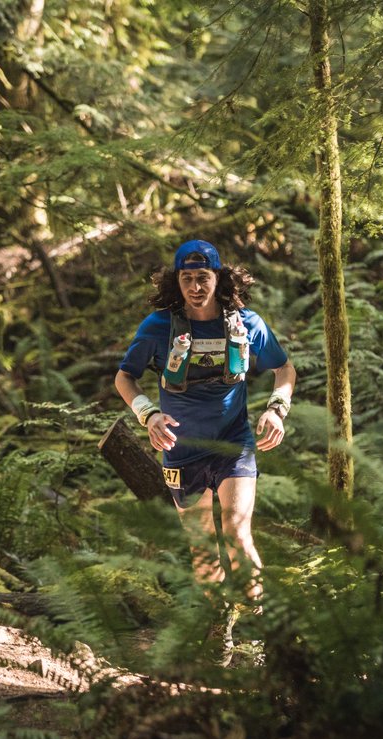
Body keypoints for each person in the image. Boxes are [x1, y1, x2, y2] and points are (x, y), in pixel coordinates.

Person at [114, 239, 295, 614]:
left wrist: (277, 408)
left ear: (218, 278)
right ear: (176, 282)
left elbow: (284, 369)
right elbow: (124, 378)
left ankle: (258, 631)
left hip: (234, 444)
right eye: (187, 279)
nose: (196, 287)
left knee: (237, 533)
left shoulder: (246, 322)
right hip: (181, 449)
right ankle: (220, 628)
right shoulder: (159, 327)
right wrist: (148, 414)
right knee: (203, 548)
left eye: (203, 278)